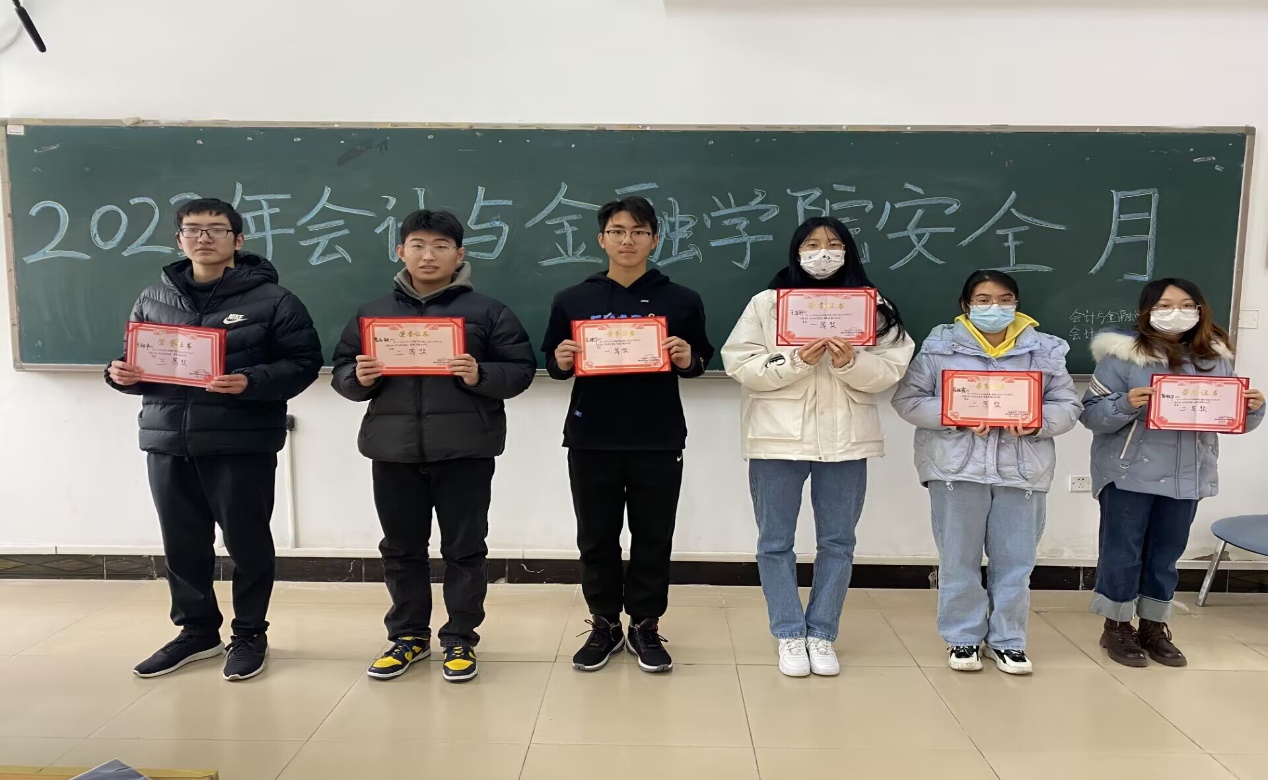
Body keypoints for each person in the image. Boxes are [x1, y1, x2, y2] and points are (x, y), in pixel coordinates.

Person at [105, 197, 322, 681]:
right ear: (178, 239)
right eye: (193, 229)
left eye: (216, 229)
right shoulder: (153, 297)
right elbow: (137, 362)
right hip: (168, 438)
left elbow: (304, 363)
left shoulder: (274, 300)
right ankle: (197, 631)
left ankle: (249, 633)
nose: (204, 238)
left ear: (237, 240)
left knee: (247, 543)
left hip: (240, 440)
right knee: (182, 543)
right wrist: (119, 374)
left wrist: (251, 381)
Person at [331, 209, 535, 683]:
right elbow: (342, 371)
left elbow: (520, 370)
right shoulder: (372, 313)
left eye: (441, 246)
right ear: (400, 251)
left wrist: (480, 374)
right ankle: (408, 637)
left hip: (466, 449)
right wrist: (358, 377)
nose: (429, 255)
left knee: (465, 549)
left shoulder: (489, 311)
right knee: (401, 549)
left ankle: (460, 637)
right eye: (418, 245)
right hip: (393, 450)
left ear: (459, 255)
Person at [720, 217, 914, 678]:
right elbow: (739, 364)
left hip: (847, 440)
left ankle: (822, 632)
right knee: (774, 542)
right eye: (812, 244)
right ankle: (789, 632)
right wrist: (794, 359)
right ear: (797, 251)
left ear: (848, 251)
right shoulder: (767, 303)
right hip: (776, 438)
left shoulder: (874, 305)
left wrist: (852, 362)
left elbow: (892, 370)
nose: (823, 253)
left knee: (838, 542)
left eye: (833, 244)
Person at [542, 195, 714, 674]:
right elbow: (553, 362)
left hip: (657, 436)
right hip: (590, 435)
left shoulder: (681, 300)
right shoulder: (573, 299)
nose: (627, 240)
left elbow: (700, 359)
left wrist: (688, 359)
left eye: (639, 232)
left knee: (653, 536)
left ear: (654, 240)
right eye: (617, 231)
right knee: (596, 536)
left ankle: (644, 624)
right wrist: (560, 360)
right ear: (602, 239)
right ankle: (604, 623)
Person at [891, 270, 1080, 675]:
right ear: (966, 305)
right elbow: (908, 400)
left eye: (1005, 299)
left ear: (1016, 303)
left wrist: (1036, 422)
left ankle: (1009, 641)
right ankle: (962, 637)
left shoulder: (1044, 350)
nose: (995, 307)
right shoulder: (939, 347)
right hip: (956, 468)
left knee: (1016, 562)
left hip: (1022, 470)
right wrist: (953, 415)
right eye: (983, 299)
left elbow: (1068, 406)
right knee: (958, 559)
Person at [1080, 278, 1263, 668]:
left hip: (1188, 474)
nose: (1175, 313)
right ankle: (1117, 626)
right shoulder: (1121, 357)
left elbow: (1233, 421)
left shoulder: (1216, 358)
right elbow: (1091, 415)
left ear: (1200, 310)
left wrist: (1252, 407)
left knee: (1165, 555)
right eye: (1164, 305)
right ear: (1147, 311)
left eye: (1185, 305)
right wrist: (1126, 404)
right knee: (1122, 553)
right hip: (1128, 472)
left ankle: (1153, 627)